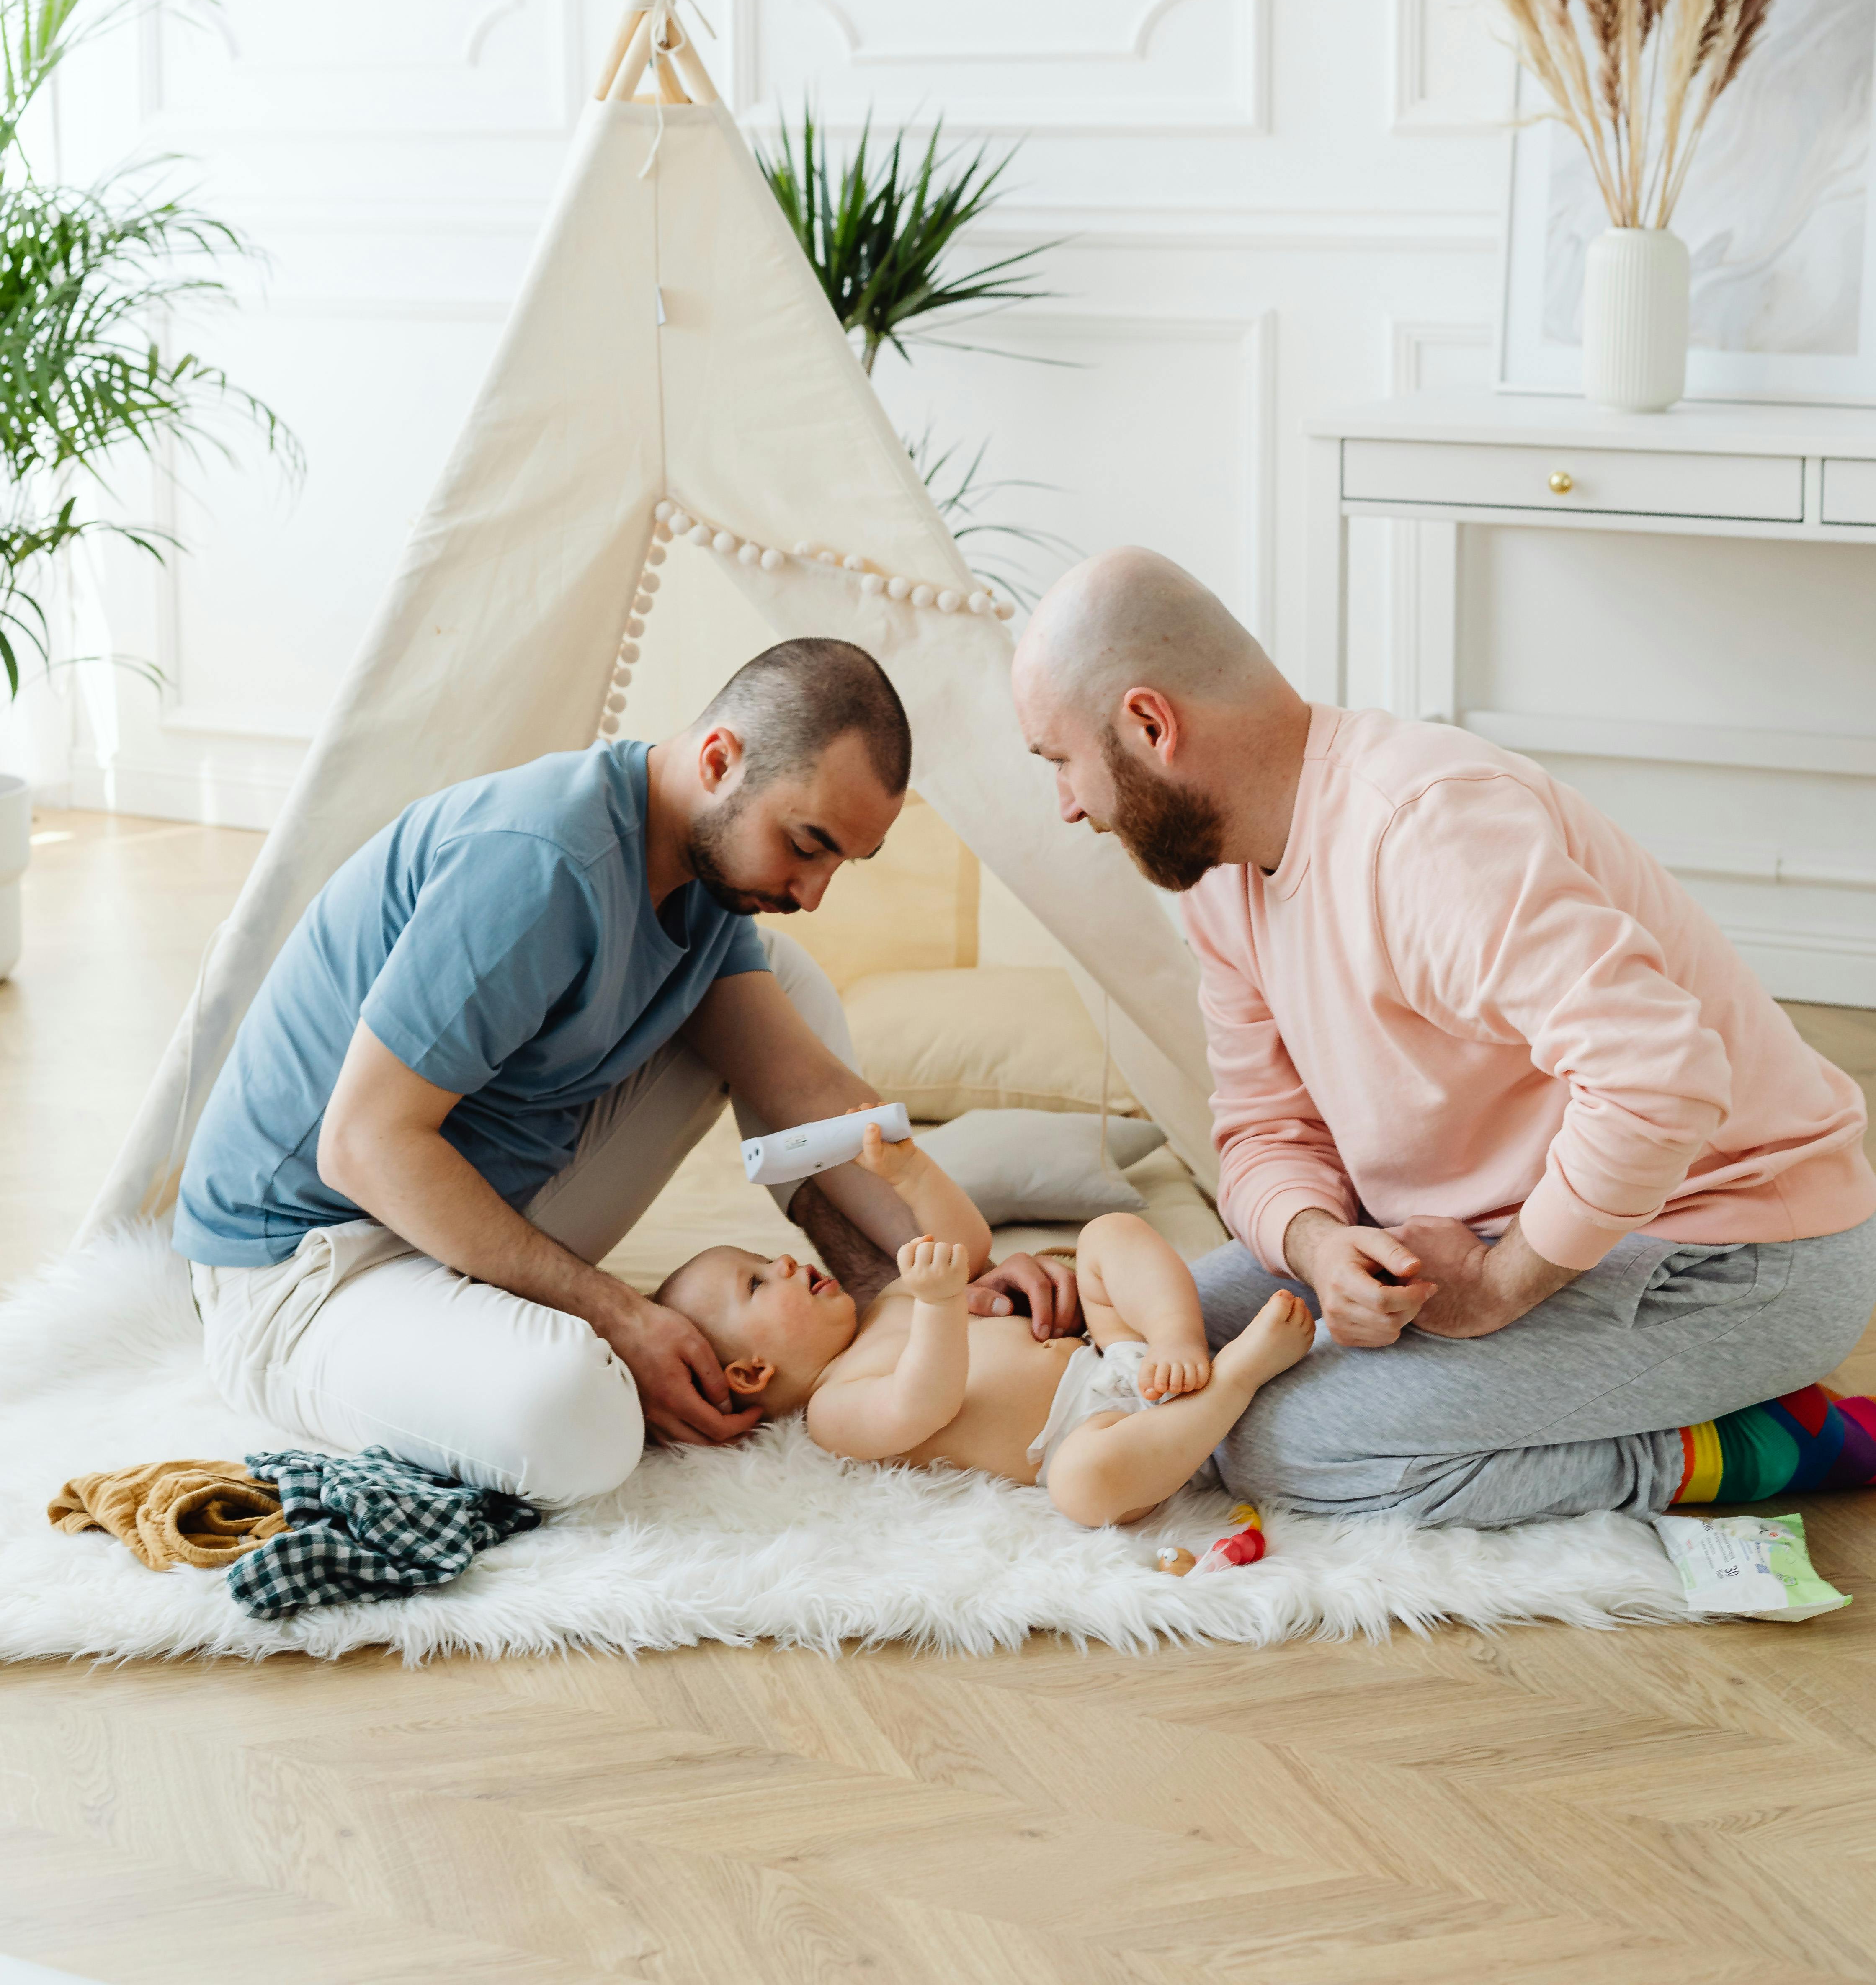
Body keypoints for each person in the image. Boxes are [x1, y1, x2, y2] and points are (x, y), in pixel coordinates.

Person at [1010, 547, 1876, 1526]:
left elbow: (1659, 1080)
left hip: (1724, 1250)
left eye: (1060, 762)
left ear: (1148, 724)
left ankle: (1748, 1442)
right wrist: (1319, 1242)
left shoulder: (1424, 833)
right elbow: (1261, 1131)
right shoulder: (1220, 879)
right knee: (1165, 1346)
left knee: (1278, 1448)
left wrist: (1503, 1286)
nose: (1068, 804)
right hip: (1478, 1229)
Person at [175, 638, 1074, 1506]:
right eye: (806, 844)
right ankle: (489, 1356)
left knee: (783, 986)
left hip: (463, 1216)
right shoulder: (539, 863)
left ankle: (885, 1290)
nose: (812, 894)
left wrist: (954, 1271)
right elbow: (362, 1147)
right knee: (582, 1422)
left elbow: (804, 1090)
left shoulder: (697, 875)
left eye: (841, 861)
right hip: (306, 1270)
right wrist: (618, 1316)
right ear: (720, 760)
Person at [657, 1121, 1316, 1523]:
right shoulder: (833, 1414)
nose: (783, 1264)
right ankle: (1236, 1378)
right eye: (757, 1282)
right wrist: (941, 1304)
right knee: (1083, 1492)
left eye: (768, 1259)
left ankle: (1181, 1340)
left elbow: (965, 1245)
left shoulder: (890, 1300)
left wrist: (912, 1174)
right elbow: (926, 1401)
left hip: (1112, 1356)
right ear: (752, 1371)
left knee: (1108, 1235)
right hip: (1089, 1434)